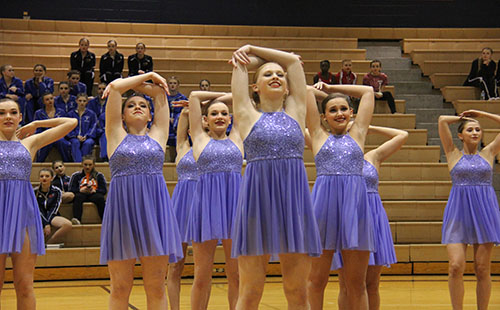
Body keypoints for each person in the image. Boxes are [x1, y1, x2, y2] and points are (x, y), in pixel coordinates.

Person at [230, 45, 322, 309]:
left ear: (288, 86)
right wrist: (249, 57)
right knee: (250, 292)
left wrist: (252, 49)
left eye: (280, 75)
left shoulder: (296, 111)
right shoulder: (246, 114)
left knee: (297, 291)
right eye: (268, 74)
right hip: (256, 202)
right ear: (255, 87)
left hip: (294, 203)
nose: (276, 77)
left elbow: (293, 62)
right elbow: (241, 65)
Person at [99, 72, 183, 309]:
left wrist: (150, 83)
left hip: (155, 213)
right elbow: (115, 90)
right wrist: (149, 75)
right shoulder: (115, 134)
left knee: (156, 286)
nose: (137, 107)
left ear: (149, 115)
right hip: (122, 214)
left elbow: (158, 93)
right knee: (120, 286)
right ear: (122, 115)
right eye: (131, 105)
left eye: (143, 105)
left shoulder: (159, 135)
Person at [0, 97, 76, 309]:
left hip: (23, 214)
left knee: (24, 284)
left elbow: (71, 123)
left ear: (20, 117)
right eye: (1, 113)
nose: (7, 117)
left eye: (13, 112)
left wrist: (36, 124)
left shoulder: (30, 142)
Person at [306, 82, 375, 310]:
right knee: (316, 281)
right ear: (323, 117)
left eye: (343, 108)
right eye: (332, 110)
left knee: (356, 284)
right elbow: (305, 92)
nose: (339, 113)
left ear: (352, 113)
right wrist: (325, 94)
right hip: (323, 208)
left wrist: (331, 87)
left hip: (355, 208)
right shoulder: (316, 134)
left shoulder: (358, 133)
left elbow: (367, 92)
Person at [178, 91, 243, 310]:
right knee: (202, 274)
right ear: (205, 119)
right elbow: (195, 96)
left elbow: (242, 98)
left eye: (224, 113)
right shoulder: (199, 138)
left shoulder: (237, 136)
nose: (220, 117)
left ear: (230, 118)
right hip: (205, 206)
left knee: (235, 274)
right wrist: (210, 101)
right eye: (214, 113)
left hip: (234, 206)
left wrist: (220, 100)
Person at [334, 125, 408, 310]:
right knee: (346, 285)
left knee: (372, 284)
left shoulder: (373, 156)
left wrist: (368, 127)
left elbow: (402, 134)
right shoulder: (334, 153)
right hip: (347, 219)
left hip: (373, 219)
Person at [438, 110, 500, 310]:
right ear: (460, 135)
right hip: (458, 212)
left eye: (478, 129)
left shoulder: (489, 153)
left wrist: (481, 114)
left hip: (485, 212)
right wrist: (462, 118)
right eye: (470, 129)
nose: (475, 132)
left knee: (482, 269)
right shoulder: (452, 153)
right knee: (456, 266)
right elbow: (441, 120)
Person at [167, 107, 199, 310]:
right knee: (175, 264)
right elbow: (184, 120)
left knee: (202, 266)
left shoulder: (215, 146)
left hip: (204, 202)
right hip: (181, 205)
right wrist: (191, 108)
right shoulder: (183, 145)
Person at [35, 168, 72, 245]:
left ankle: (49, 244)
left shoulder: (57, 191)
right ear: (39, 178)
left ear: (51, 178)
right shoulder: (34, 191)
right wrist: (46, 224)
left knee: (67, 225)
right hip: (38, 216)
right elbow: (37, 209)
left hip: (52, 215)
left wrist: (48, 222)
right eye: (42, 176)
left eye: (47, 176)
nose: (44, 178)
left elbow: (54, 208)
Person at [33, 92, 72, 162]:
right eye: (47, 99)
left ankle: (67, 163)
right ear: (43, 102)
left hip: (59, 135)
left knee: (63, 143)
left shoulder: (61, 112)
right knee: (45, 143)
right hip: (45, 136)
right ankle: (38, 163)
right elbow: (37, 127)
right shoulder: (38, 113)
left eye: (51, 98)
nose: (50, 101)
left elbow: (66, 126)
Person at [69, 155, 106, 225]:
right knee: (78, 197)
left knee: (100, 198)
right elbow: (71, 189)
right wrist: (80, 190)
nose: (87, 167)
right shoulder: (76, 176)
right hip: (81, 194)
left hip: (94, 194)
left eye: (90, 165)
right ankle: (77, 219)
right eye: (85, 165)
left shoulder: (99, 175)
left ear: (94, 165)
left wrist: (95, 190)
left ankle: (105, 219)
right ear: (82, 164)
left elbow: (103, 190)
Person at [66, 93, 98, 162]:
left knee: (88, 143)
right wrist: (76, 136)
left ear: (87, 102)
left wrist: (86, 136)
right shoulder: (70, 114)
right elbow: (67, 127)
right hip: (74, 137)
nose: (82, 103)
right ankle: (78, 163)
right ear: (76, 101)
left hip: (88, 137)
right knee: (75, 143)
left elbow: (94, 126)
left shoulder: (91, 114)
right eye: (80, 101)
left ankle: (84, 162)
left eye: (84, 101)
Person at [166, 76, 188, 162]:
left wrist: (176, 119)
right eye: (170, 83)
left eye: (174, 83)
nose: (172, 85)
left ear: (178, 85)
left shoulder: (182, 98)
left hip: (178, 124)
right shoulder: (163, 97)